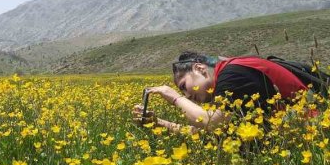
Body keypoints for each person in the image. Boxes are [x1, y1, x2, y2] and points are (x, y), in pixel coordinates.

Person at [133, 52, 313, 134]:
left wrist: (174, 97)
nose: (188, 95)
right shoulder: (231, 75)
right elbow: (212, 134)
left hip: (316, 130)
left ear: (199, 68)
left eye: (184, 85)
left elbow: (213, 124)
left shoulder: (231, 74)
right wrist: (159, 123)